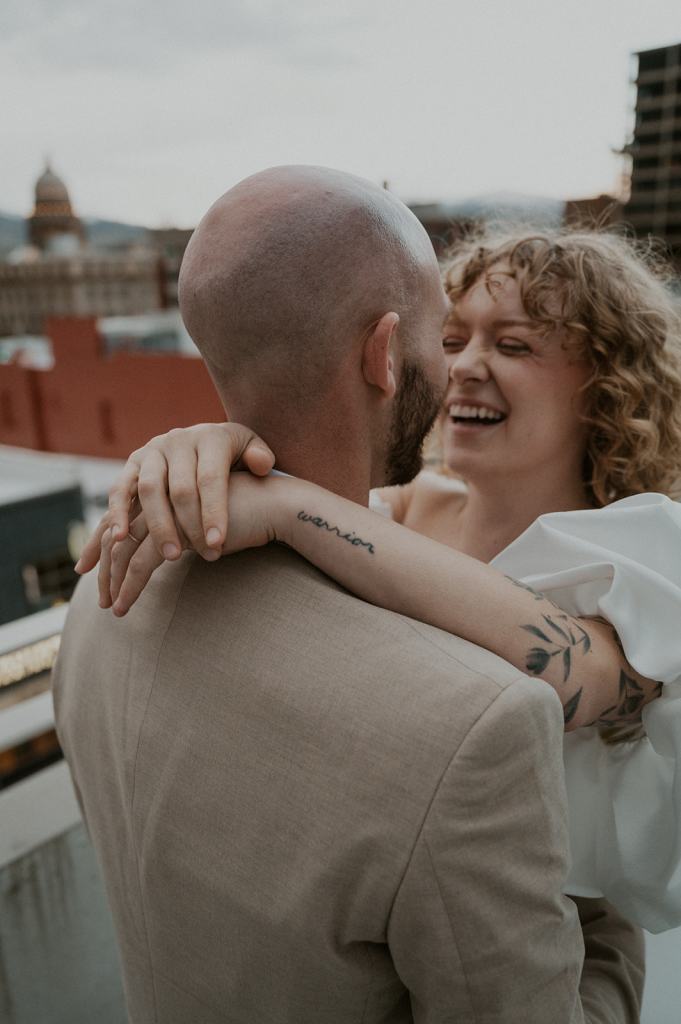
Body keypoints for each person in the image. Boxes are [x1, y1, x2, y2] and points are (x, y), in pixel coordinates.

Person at [57, 168, 646, 1024]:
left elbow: (589, 672)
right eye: (449, 337)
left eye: (514, 345)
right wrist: (609, 923)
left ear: (610, 378)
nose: (463, 368)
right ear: (385, 354)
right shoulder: (411, 536)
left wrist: (280, 495)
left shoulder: (105, 599)